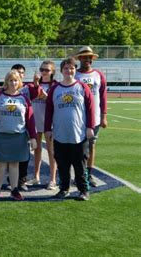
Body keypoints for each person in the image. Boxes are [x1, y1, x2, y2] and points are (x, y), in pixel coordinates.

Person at [45, 57, 95, 201]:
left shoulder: (82, 87)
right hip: (60, 134)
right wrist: (47, 128)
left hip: (78, 134)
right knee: (62, 164)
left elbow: (90, 108)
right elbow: (49, 110)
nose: (69, 71)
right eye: (66, 68)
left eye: (72, 68)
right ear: (61, 71)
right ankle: (64, 188)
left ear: (75, 70)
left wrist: (90, 127)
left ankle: (83, 190)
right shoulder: (55, 89)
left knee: (80, 164)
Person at [0, 70, 37, 201]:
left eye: (15, 80)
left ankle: (14, 190)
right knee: (1, 164)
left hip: (18, 136)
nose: (13, 83)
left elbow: (30, 119)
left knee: (14, 164)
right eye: (10, 80)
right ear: (6, 82)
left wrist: (33, 137)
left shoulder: (24, 98)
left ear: (19, 82)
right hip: (1, 135)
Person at [74, 46, 107, 187]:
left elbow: (103, 96)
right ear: (80, 58)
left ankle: (89, 173)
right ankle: (78, 175)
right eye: (85, 57)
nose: (88, 59)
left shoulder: (98, 75)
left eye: (90, 57)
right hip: (78, 117)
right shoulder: (75, 74)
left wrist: (104, 116)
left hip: (95, 117)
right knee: (77, 147)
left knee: (92, 145)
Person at [11, 63, 42, 191]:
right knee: (11, 156)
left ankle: (22, 180)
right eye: (16, 72)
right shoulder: (7, 89)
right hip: (11, 127)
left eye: (21, 72)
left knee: (24, 155)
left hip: (25, 127)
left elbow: (36, 93)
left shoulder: (28, 88)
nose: (19, 74)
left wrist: (36, 83)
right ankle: (12, 179)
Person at [28, 60, 58, 190]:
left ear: (52, 72)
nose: (44, 72)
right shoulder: (33, 85)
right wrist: (35, 86)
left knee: (51, 151)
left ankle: (52, 179)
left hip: (49, 122)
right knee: (37, 149)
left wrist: (47, 97)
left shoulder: (56, 85)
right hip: (36, 120)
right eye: (42, 69)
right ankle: (36, 176)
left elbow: (56, 103)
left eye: (47, 70)